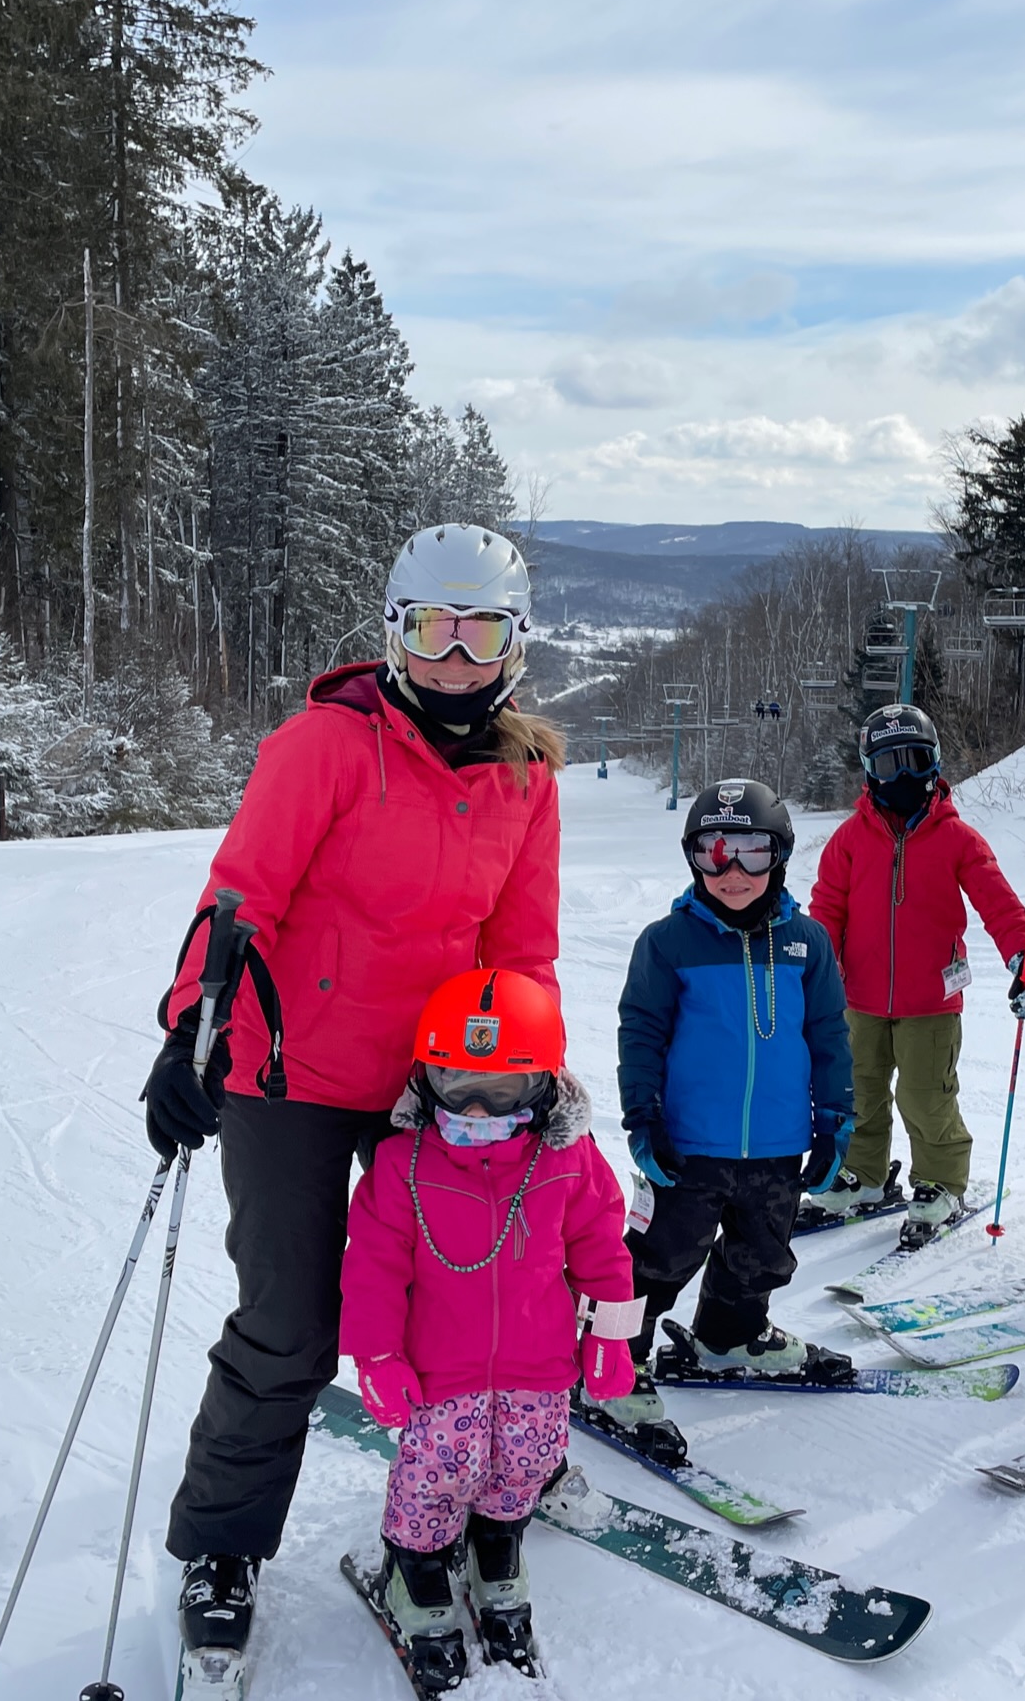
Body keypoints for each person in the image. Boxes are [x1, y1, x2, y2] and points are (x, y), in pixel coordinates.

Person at [138, 523, 567, 1668]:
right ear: (395, 633)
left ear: (517, 645)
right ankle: (223, 1547)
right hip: (288, 1078)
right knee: (292, 1326)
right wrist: (194, 1030)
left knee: (471, 1305)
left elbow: (522, 952)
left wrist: (532, 1073)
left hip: (435, 1087)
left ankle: (461, 1510)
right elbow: (241, 899)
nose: (457, 657)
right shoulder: (324, 746)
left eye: (483, 633)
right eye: (435, 629)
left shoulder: (527, 779)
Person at [340, 968, 637, 1688]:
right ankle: (416, 1574)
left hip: (538, 1365)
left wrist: (609, 1335)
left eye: (500, 1090)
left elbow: (602, 1247)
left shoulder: (567, 1160)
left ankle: (496, 1551)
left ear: (541, 1086)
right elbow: (372, 1267)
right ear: (426, 1076)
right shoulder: (401, 1164)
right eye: (456, 1082)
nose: (474, 1106)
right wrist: (376, 1354)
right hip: (438, 1370)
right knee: (432, 1478)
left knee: (524, 1467)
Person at [588, 778, 854, 1464]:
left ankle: (728, 1338)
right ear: (693, 858)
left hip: (777, 1144)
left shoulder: (807, 943)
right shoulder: (667, 944)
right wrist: (642, 1120)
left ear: (780, 855)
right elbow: (640, 1032)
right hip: (687, 1145)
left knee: (759, 1256)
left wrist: (834, 1120)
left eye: (750, 852)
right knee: (653, 1262)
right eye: (713, 852)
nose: (731, 871)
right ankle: (609, 1364)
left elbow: (827, 1034)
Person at [803, 703, 1025, 1239]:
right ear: (870, 771)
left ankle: (940, 1181)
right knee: (858, 1091)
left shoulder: (957, 838)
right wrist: (817, 972)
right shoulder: (849, 840)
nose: (905, 776)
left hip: (932, 1001)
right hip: (858, 997)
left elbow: (999, 903)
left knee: (926, 1096)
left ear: (934, 762)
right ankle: (860, 1174)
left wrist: (1024, 957)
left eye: (915, 761)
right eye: (890, 766)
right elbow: (826, 911)